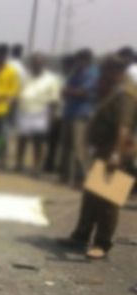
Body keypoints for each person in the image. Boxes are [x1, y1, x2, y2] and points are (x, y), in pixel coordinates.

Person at [60, 56, 136, 259]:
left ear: (116, 72)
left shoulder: (126, 95)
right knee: (92, 196)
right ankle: (81, 235)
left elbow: (124, 128)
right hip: (104, 150)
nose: (102, 76)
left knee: (108, 201)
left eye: (105, 71)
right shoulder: (114, 92)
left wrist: (116, 155)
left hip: (117, 151)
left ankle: (102, 243)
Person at [15, 53, 62, 174]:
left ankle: (36, 167)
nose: (36, 65)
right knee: (22, 140)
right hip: (24, 111)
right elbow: (18, 92)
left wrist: (51, 117)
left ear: (43, 64)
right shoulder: (25, 76)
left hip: (41, 114)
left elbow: (54, 101)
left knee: (38, 143)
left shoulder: (51, 79)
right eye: (34, 63)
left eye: (38, 63)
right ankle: (18, 164)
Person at [59, 48, 99, 185]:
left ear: (86, 61)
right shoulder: (73, 75)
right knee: (65, 147)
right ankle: (65, 176)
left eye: (80, 60)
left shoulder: (91, 75)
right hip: (69, 113)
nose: (77, 63)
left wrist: (69, 91)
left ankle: (81, 178)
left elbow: (82, 92)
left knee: (79, 148)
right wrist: (70, 92)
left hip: (81, 115)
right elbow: (64, 92)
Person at [44, 54, 75, 174]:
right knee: (52, 141)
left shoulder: (74, 78)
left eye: (69, 65)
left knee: (66, 144)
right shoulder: (57, 78)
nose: (66, 67)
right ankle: (49, 164)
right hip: (57, 113)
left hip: (69, 114)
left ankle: (62, 166)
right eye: (65, 64)